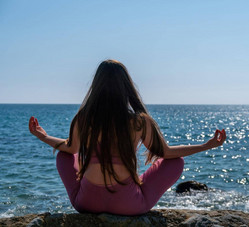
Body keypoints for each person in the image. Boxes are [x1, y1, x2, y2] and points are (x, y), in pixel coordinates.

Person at [28, 59, 226, 215]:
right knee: (175, 162)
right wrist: (205, 145)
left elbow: (70, 148)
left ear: (96, 86)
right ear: (126, 86)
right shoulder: (139, 121)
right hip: (129, 205)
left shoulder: (84, 117)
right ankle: (131, 182)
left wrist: (43, 137)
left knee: (62, 155)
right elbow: (166, 153)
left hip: (87, 203)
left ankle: (123, 183)